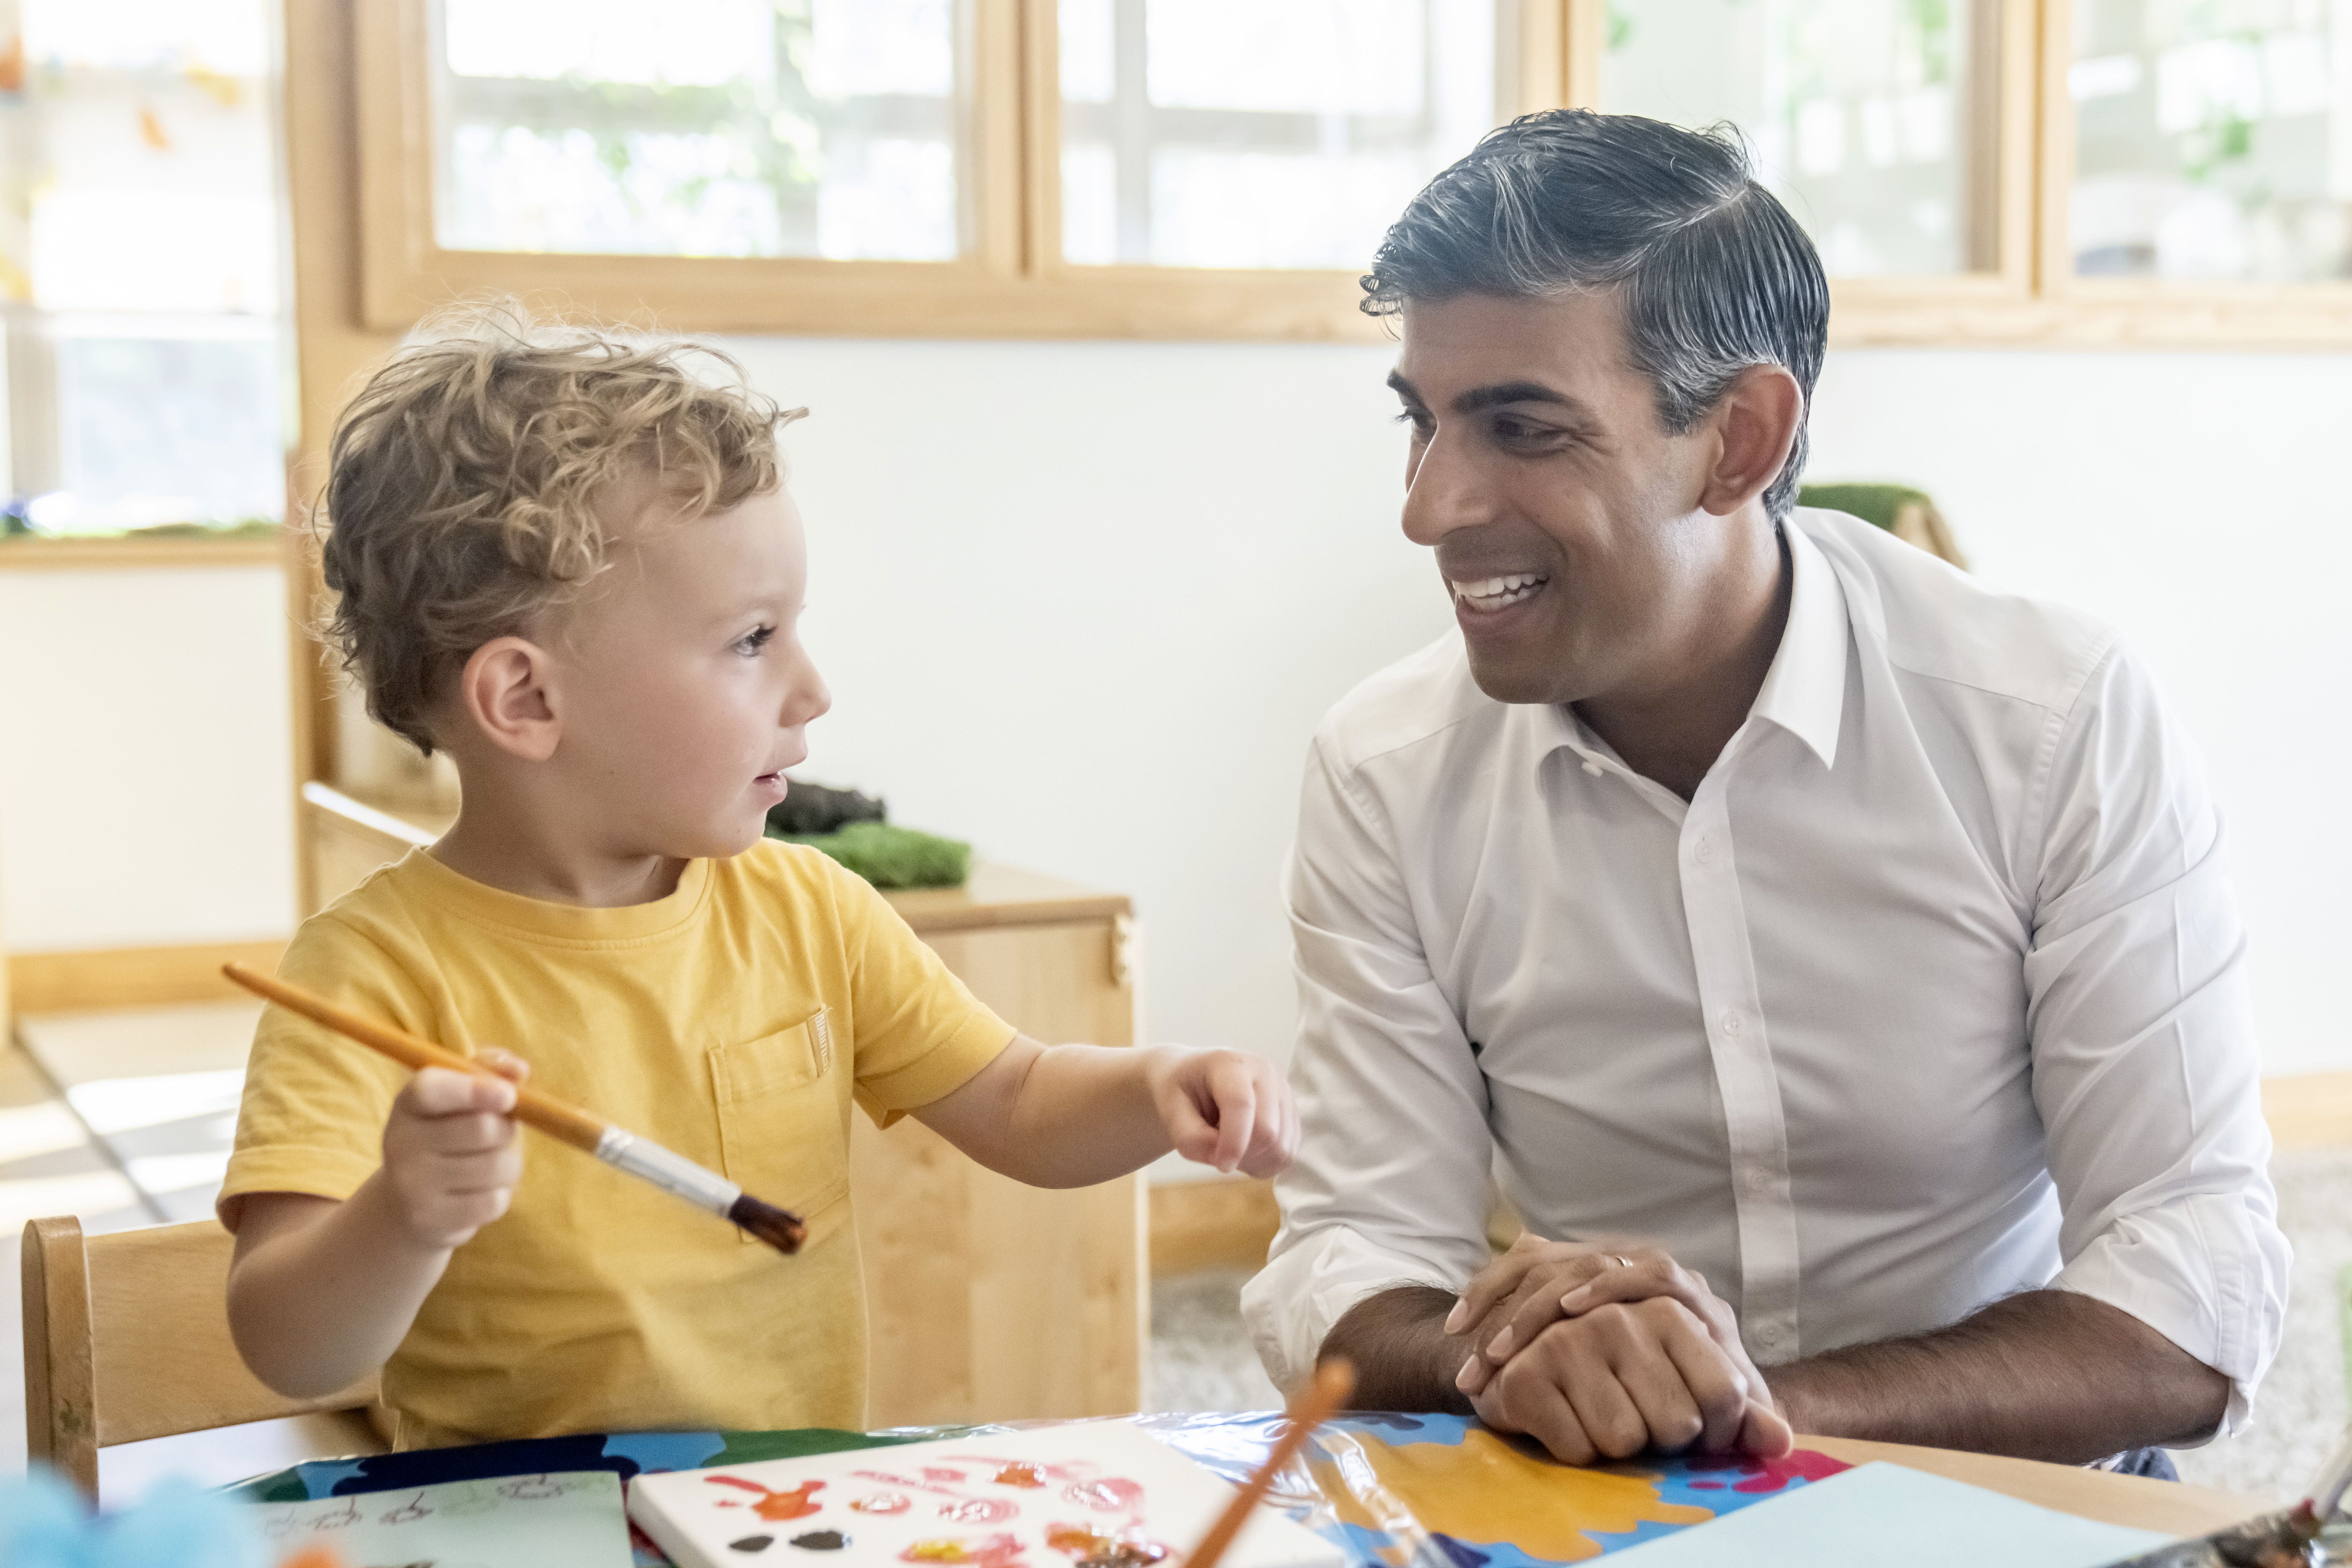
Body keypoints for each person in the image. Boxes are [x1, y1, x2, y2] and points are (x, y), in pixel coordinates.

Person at [1240, 111, 2287, 1476]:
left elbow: (2192, 1286)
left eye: (1521, 427)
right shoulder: (1382, 771)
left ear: (1737, 440)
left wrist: (1748, 1406)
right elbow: (1354, 1250)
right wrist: (1507, 1357)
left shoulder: (2049, 718)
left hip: (2010, 1481)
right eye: (1422, 422)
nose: (1429, 508)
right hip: (1601, 1489)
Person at [222, 308, 1298, 1447]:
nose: (812, 688)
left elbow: (1019, 1103)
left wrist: (1155, 1086)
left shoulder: (809, 910)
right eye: (750, 640)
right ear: (527, 701)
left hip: (779, 1521)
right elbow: (293, 1351)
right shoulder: (366, 975)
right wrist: (404, 1215)